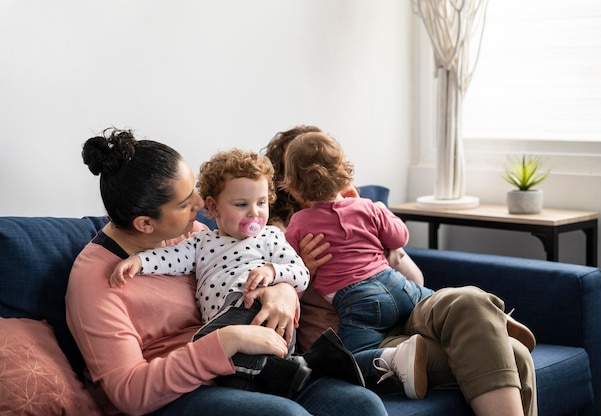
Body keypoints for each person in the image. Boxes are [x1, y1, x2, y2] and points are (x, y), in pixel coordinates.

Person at [66, 128, 388, 416]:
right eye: (184, 202)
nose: (199, 202)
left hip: (253, 361)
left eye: (192, 189)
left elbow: (253, 267)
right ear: (145, 224)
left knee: (363, 404)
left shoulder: (189, 233)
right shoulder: (95, 281)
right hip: (178, 394)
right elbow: (130, 393)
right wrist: (227, 340)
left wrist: (283, 291)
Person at [263, 125, 538, 416]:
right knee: (515, 354)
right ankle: (490, 319)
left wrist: (382, 247)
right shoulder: (275, 235)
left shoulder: (359, 210)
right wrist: (302, 271)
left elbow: (415, 276)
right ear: (283, 182)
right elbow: (275, 307)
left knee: (469, 299)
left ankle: (484, 315)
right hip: (373, 337)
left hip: (406, 307)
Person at [108, 148, 313, 398]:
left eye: (261, 203)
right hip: (227, 329)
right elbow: (172, 258)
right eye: (241, 204)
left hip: (258, 312)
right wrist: (140, 261)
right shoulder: (201, 241)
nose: (254, 213)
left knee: (214, 338)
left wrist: (273, 272)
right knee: (239, 379)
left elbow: (301, 274)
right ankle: (295, 373)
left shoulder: (270, 236)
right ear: (214, 208)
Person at [283, 131, 433, 399]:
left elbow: (287, 267)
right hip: (397, 284)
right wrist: (381, 212)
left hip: (360, 303)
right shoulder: (367, 207)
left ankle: (393, 358)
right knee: (439, 302)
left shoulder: (299, 224)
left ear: (293, 186)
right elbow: (400, 237)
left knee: (347, 361)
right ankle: (491, 314)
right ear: (345, 174)